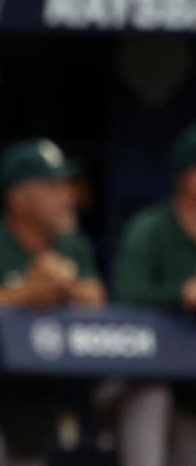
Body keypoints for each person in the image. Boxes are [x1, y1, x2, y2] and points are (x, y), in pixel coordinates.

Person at [0, 138, 105, 465]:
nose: (69, 196)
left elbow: (97, 298)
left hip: (43, 401)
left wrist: (64, 286)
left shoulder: (72, 246)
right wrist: (25, 294)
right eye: (54, 186)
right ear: (19, 199)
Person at [113, 124, 196, 466]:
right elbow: (127, 296)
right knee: (152, 394)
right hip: (144, 374)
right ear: (188, 176)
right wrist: (182, 295)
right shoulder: (150, 228)